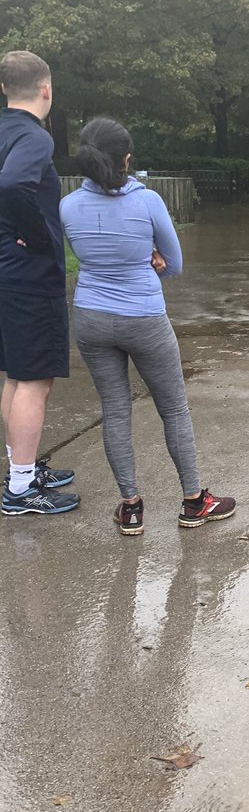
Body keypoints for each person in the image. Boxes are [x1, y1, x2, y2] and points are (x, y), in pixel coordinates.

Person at [59, 118, 235, 531]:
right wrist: (151, 258)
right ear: (127, 159)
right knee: (173, 408)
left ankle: (131, 507)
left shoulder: (67, 206)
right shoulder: (148, 201)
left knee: (115, 411)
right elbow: (174, 264)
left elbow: (90, 253)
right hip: (144, 317)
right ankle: (194, 502)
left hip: (90, 316)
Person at [0, 51, 79, 516]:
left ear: (5, 90)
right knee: (34, 379)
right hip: (28, 274)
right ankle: (21, 490)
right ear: (46, 89)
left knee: (15, 374)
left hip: (6, 272)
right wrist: (33, 232)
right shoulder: (34, 137)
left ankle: (20, 469)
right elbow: (11, 185)